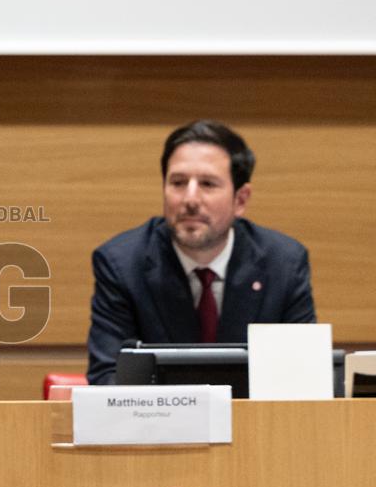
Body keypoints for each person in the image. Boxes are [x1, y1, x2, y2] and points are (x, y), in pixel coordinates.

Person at [86, 120, 316, 385]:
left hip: (253, 424)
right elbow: (108, 377)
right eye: (178, 182)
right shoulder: (122, 264)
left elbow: (303, 378)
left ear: (240, 200)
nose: (190, 199)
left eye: (207, 184)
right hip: (156, 423)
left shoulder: (284, 264)